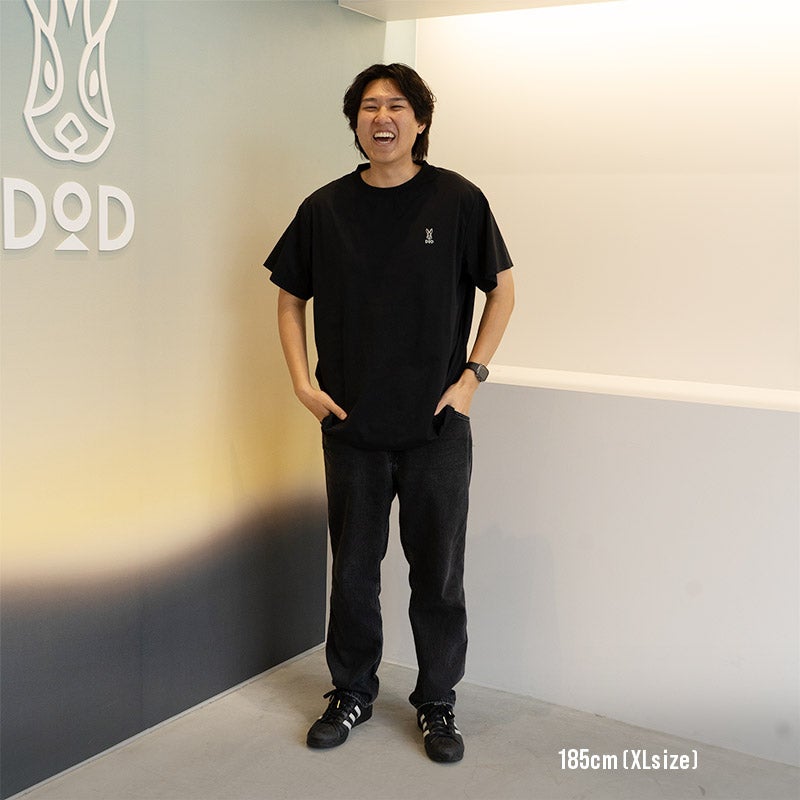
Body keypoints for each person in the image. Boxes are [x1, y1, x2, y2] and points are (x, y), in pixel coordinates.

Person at [263, 63, 514, 763]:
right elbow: (289, 298)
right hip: (352, 430)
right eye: (370, 106)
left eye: (397, 106)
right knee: (353, 573)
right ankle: (351, 691)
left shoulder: (458, 200)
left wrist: (471, 378)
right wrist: (301, 384)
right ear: (355, 122)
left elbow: (502, 290)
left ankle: (437, 701)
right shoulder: (324, 208)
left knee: (438, 575)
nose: (383, 118)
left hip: (437, 429)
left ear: (420, 121)